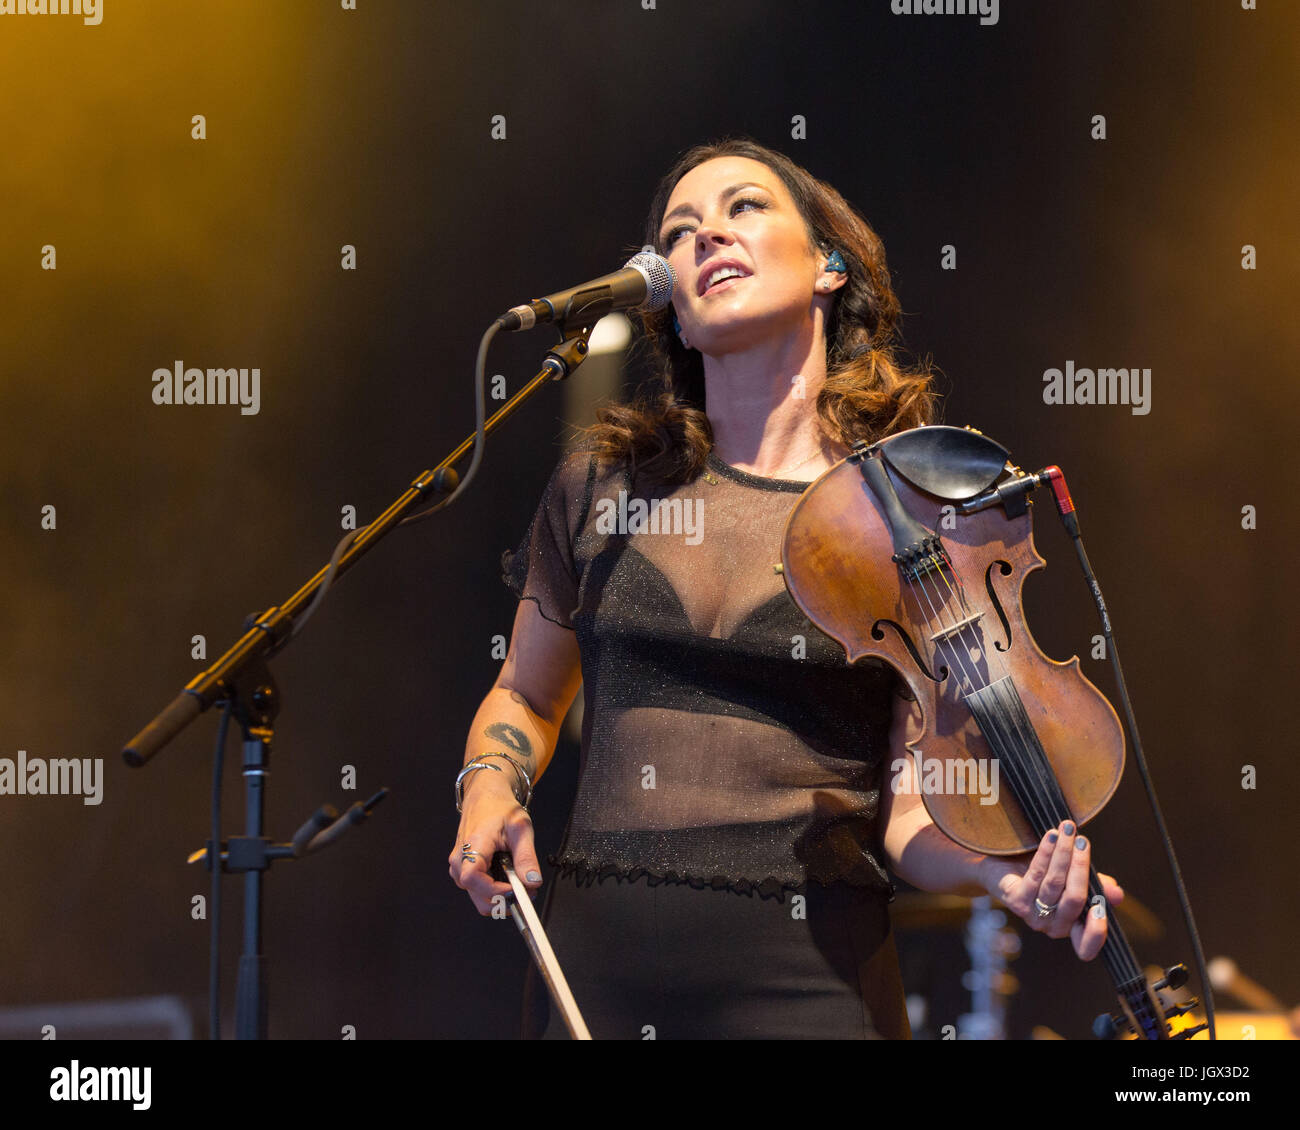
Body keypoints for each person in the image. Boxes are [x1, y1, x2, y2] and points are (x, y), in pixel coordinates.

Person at [448, 138, 1123, 1039]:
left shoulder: (904, 518)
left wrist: (998, 874)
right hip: (599, 968)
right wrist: (488, 784)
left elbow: (906, 807)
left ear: (829, 266)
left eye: (744, 208)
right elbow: (528, 692)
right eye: (680, 231)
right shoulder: (603, 486)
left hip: (810, 983)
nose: (706, 236)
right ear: (675, 316)